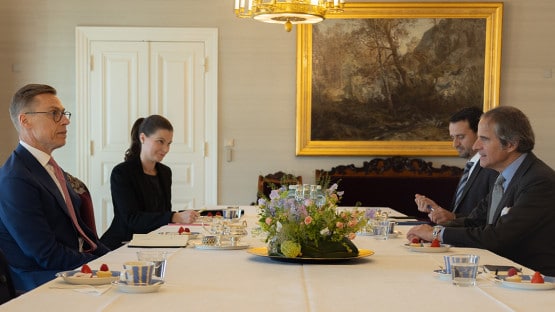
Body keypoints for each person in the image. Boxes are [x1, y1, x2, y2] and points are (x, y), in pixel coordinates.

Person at [407, 106, 555, 276]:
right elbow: (474, 221)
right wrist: (430, 228)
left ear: (511, 144)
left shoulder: (538, 181)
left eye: (483, 139)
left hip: (535, 281)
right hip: (504, 272)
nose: (476, 146)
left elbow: (497, 237)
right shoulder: (504, 177)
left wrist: (436, 233)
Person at [0, 84, 110, 292]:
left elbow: (83, 234)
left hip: (69, 270)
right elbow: (46, 255)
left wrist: (116, 257)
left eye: (63, 113)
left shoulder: (49, 168)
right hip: (41, 282)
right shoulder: (15, 179)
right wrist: (103, 268)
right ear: (25, 120)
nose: (66, 121)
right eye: (54, 114)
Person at [100, 115, 199, 250]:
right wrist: (174, 217)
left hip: (153, 241)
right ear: (142, 138)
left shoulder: (165, 172)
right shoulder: (122, 173)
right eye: (160, 141)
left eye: (169, 143)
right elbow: (131, 219)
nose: (166, 149)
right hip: (123, 243)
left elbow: (163, 213)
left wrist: (181, 216)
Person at [414, 107, 497, 224]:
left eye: (461, 137)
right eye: (453, 137)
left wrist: (452, 218)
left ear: (479, 134)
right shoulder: (471, 165)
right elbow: (460, 214)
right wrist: (435, 210)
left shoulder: (492, 167)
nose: (455, 144)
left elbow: (490, 217)